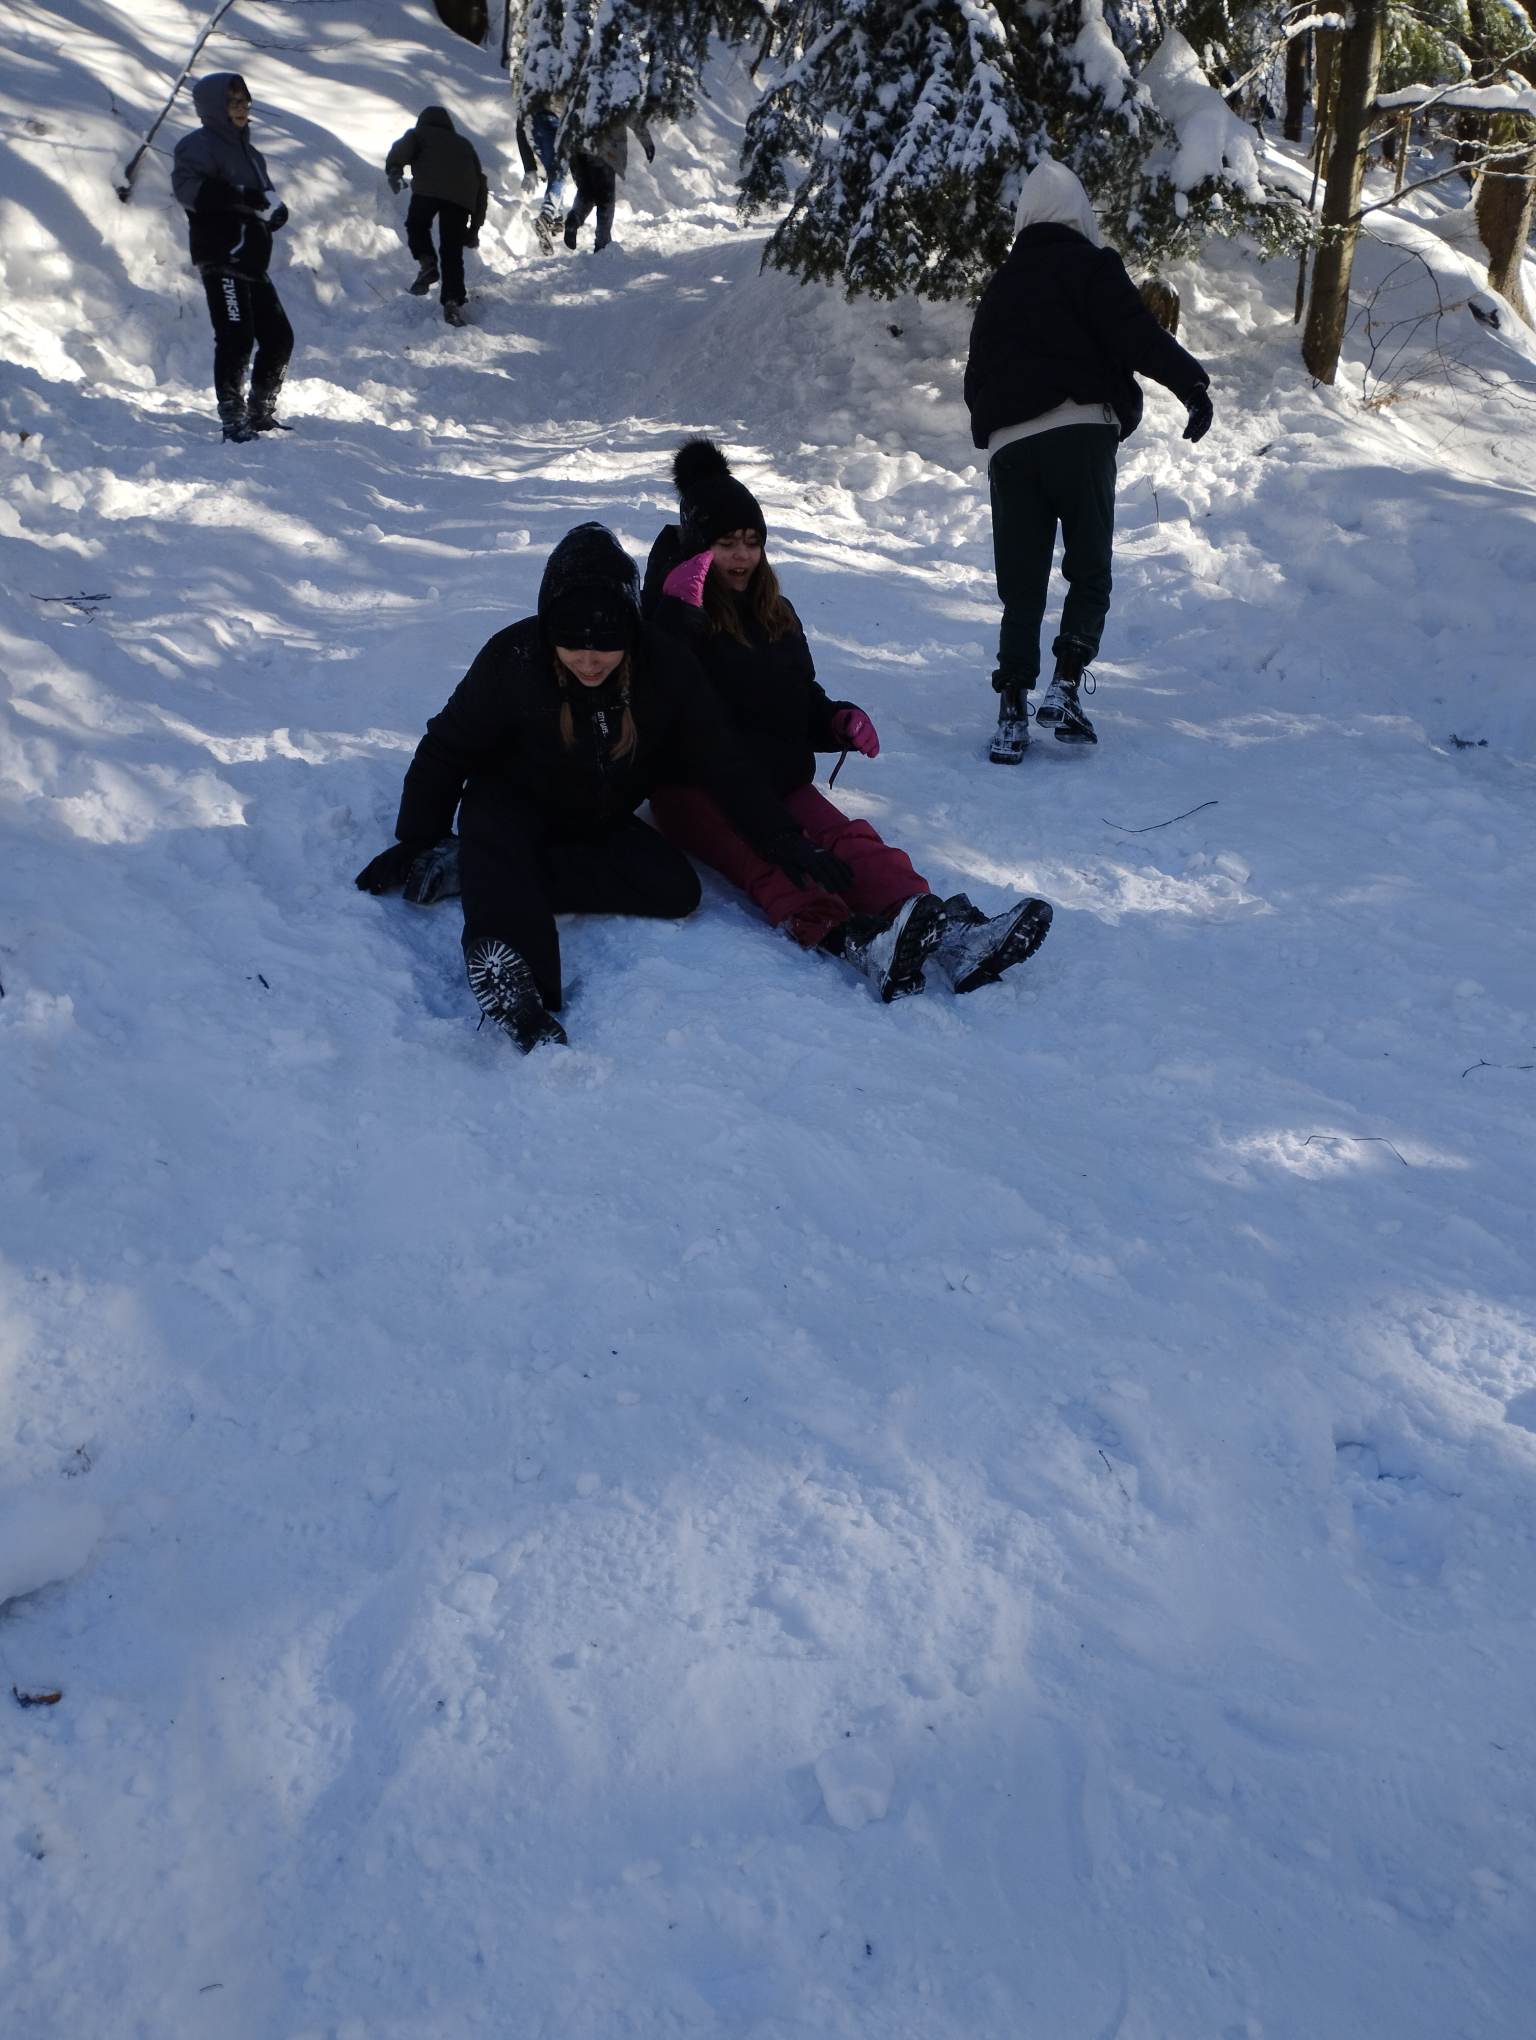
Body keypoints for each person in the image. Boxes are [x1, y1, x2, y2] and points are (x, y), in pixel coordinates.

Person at [354, 524, 867, 1053]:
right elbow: (446, 748)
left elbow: (722, 762)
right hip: (510, 800)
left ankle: (478, 870)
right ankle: (520, 988)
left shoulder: (665, 668)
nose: (589, 659)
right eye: (572, 643)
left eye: (605, 645)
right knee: (499, 849)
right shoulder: (513, 658)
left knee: (675, 889)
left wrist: (781, 838)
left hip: (597, 817)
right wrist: (418, 837)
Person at [642, 441, 1053, 998]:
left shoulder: (772, 609)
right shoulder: (672, 618)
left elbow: (793, 694)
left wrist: (832, 720)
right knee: (775, 860)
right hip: (695, 786)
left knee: (849, 840)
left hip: (769, 771)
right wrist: (678, 621)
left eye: (752, 543)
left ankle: (953, 935)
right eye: (725, 544)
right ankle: (859, 942)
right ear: (697, 547)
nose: (741, 557)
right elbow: (679, 713)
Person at [964, 159, 1214, 761]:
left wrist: (999, 430)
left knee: (1020, 585)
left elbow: (976, 376)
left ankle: (1011, 714)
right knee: (1088, 570)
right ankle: (1066, 685)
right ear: (1081, 214)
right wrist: (1193, 386)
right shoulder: (1090, 266)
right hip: (1080, 434)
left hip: (1011, 449)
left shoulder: (999, 285)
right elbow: (1136, 334)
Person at [171, 73, 293, 442]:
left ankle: (260, 410)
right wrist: (240, 195)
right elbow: (188, 190)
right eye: (232, 102)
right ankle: (233, 416)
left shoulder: (250, 153)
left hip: (253, 260)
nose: (241, 108)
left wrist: (274, 212)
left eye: (244, 101)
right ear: (213, 107)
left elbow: (260, 200)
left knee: (279, 337)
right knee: (236, 337)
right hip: (222, 255)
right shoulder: (196, 146)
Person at [385, 106, 488, 327]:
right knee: (452, 250)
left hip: (427, 192)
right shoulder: (465, 144)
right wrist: (475, 228)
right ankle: (452, 302)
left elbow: (400, 152)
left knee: (417, 224)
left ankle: (427, 263)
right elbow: (481, 185)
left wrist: (394, 171)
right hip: (460, 199)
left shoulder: (418, 134)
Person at [564, 110, 654, 254]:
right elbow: (631, 116)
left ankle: (573, 220)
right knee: (605, 199)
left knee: (586, 193)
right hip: (605, 149)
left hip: (578, 149)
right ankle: (603, 243)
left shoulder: (582, 87)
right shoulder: (615, 89)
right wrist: (647, 142)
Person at [515, 96, 566, 252]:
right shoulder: (559, 76)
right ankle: (547, 215)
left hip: (528, 127)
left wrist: (529, 167)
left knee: (555, 171)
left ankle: (556, 219)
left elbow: (520, 126)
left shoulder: (528, 87)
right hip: (552, 123)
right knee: (558, 172)